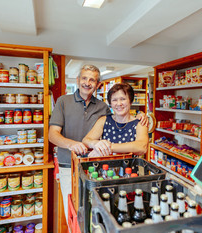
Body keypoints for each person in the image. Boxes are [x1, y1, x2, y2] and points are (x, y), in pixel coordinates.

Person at [48, 64, 147, 219]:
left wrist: (146, 116)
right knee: (73, 211)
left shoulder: (102, 108)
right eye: (84, 78)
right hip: (68, 164)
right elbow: (52, 135)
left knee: (97, 210)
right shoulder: (63, 101)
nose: (87, 82)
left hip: (98, 168)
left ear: (97, 85)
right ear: (78, 79)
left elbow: (120, 118)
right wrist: (73, 144)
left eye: (92, 80)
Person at [83, 83, 148, 157]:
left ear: (131, 101)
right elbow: (86, 140)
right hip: (106, 168)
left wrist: (107, 148)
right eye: (114, 100)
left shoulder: (140, 122)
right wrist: (95, 144)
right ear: (110, 103)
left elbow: (142, 147)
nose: (119, 103)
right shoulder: (104, 120)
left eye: (123, 99)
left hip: (129, 168)